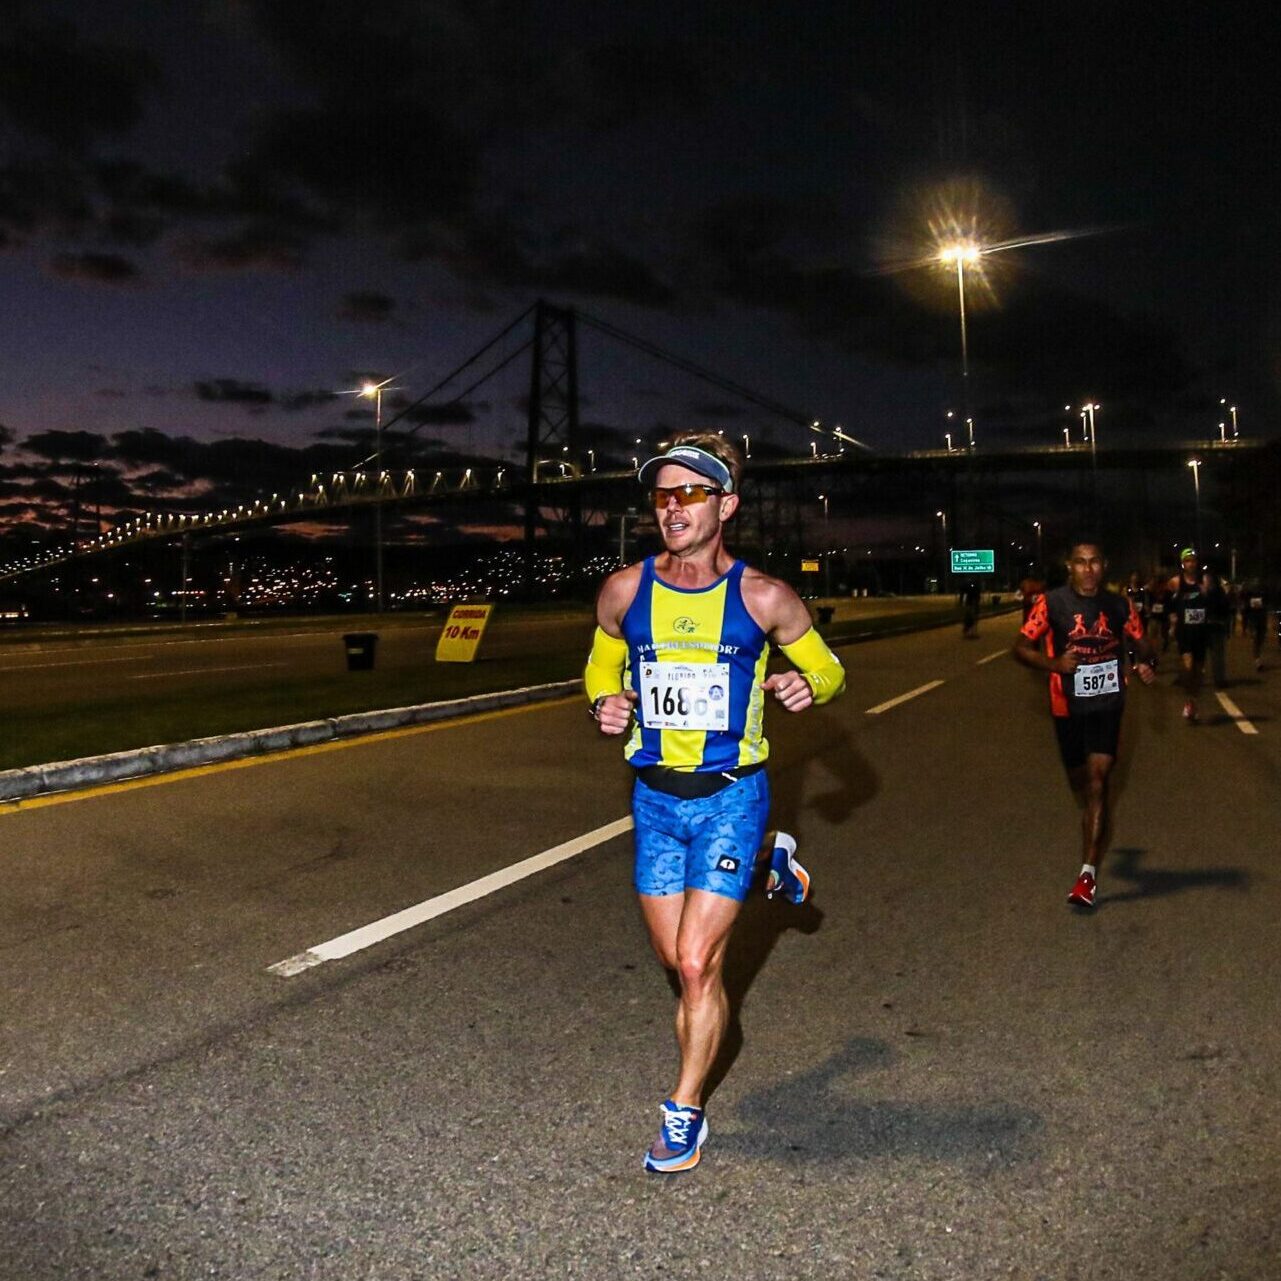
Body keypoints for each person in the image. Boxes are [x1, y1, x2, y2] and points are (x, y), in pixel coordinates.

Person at [584, 432, 846, 1174]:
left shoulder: (763, 596)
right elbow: (603, 658)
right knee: (675, 959)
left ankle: (684, 1109)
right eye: (662, 494)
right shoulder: (624, 590)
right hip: (655, 801)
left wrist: (805, 685)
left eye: (690, 493)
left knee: (698, 963)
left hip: (732, 796)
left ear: (724, 504)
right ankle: (771, 860)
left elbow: (826, 670)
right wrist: (604, 699)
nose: (672, 507)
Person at [1013, 539, 1156, 909]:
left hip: (1109, 704)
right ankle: (1092, 822)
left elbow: (1145, 646)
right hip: (1067, 708)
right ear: (1070, 567)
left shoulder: (1119, 605)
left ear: (1104, 566)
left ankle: (1087, 875)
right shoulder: (1052, 603)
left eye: (1094, 562)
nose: (1088, 569)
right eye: (1081, 562)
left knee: (1098, 782)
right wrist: (1054, 665)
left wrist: (1146, 665)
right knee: (1081, 784)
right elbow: (1021, 648)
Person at [1168, 548, 1209, 721]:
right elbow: (1169, 605)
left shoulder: (1204, 581)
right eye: (1187, 560)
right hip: (1184, 632)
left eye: (1193, 560)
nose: (1191, 563)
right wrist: (1172, 623)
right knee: (1188, 666)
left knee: (1198, 672)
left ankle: (1193, 702)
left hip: (1200, 632)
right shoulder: (1176, 582)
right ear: (1182, 563)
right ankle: (1188, 701)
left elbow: (1210, 604)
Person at [1202, 568, 1231, 687]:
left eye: (1206, 579)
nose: (1205, 582)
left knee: (1217, 655)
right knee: (1213, 655)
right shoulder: (1211, 593)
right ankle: (1217, 679)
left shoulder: (1216, 593)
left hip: (1215, 627)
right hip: (1210, 627)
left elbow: (1224, 610)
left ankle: (1219, 679)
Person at [1241, 582, 1268, 670]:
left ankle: (1258, 659)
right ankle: (1258, 661)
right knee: (1257, 641)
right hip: (1255, 622)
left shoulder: (1262, 596)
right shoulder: (1249, 597)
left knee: (1259, 641)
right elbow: (1246, 612)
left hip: (1259, 622)